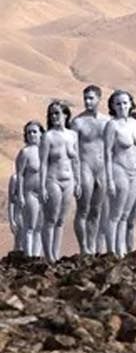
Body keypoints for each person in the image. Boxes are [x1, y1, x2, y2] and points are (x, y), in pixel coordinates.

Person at [101, 91, 136, 257]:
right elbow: (107, 153)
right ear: (113, 106)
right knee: (115, 214)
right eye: (118, 104)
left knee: (126, 215)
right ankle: (111, 251)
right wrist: (109, 180)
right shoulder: (112, 125)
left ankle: (121, 249)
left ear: (131, 104)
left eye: (125, 103)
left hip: (134, 171)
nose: (122, 107)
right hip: (118, 169)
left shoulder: (134, 123)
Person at [71, 86, 109, 255]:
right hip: (85, 166)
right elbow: (73, 151)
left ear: (99, 99)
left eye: (91, 98)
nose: (87, 102)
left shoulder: (107, 121)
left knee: (96, 210)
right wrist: (76, 177)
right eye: (85, 98)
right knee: (83, 209)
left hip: (102, 168)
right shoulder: (77, 122)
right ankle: (83, 247)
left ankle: (92, 246)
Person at [39, 101, 78, 259]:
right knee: (51, 218)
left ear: (66, 114)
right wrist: (42, 186)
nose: (54, 117)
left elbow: (76, 160)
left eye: (57, 113)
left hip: (69, 180)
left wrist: (79, 181)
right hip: (52, 179)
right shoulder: (48, 137)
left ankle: (56, 252)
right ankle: (49, 255)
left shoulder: (73, 135)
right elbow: (43, 163)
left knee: (61, 220)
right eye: (52, 114)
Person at [12, 123, 45, 258]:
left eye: (34, 132)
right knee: (30, 225)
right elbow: (19, 174)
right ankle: (28, 255)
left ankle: (36, 256)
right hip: (30, 193)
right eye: (29, 132)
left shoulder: (46, 151)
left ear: (41, 133)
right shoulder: (25, 152)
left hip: (44, 193)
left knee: (40, 226)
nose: (31, 135)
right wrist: (20, 194)